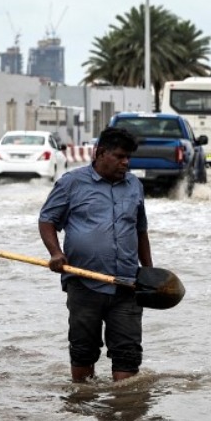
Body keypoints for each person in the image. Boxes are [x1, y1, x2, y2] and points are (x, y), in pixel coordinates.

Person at [38, 127, 152, 383]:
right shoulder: (71, 183)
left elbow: (140, 231)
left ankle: (123, 416)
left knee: (128, 355)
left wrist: (149, 272)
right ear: (100, 153)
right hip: (84, 284)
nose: (126, 163)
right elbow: (47, 220)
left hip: (127, 286)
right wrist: (56, 253)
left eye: (128, 158)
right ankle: (84, 412)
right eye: (120, 156)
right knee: (83, 351)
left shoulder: (134, 185)